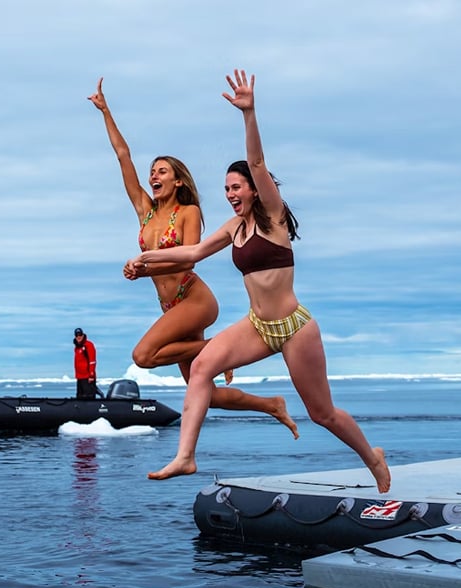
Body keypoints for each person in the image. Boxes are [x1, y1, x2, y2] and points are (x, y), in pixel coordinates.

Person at [127, 69, 390, 492]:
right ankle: (186, 457)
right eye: (226, 189)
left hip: (294, 328)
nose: (231, 194)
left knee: (322, 413)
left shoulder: (273, 218)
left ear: (254, 189)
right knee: (200, 370)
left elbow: (258, 162)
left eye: (236, 187)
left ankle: (370, 456)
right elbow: (192, 253)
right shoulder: (235, 227)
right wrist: (145, 259)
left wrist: (249, 113)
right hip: (257, 326)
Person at [87, 77, 298, 437]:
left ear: (178, 181)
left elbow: (189, 260)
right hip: (170, 307)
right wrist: (106, 111)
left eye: (162, 171)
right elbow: (123, 156)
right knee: (203, 391)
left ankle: (219, 349)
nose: (154, 175)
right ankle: (270, 404)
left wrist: (145, 264)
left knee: (144, 356)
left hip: (194, 299)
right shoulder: (145, 211)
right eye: (152, 171)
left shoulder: (188, 212)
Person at [73, 328, 98, 398]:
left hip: (87, 377)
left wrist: (91, 375)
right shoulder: (77, 348)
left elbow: (92, 361)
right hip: (79, 377)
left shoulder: (88, 345)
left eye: (80, 335)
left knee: (88, 397)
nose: (78, 337)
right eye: (77, 335)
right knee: (80, 397)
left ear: (83, 335)